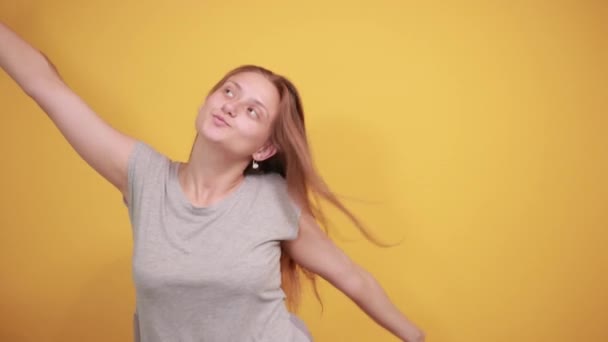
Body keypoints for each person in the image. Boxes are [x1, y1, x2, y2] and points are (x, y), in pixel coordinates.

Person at [1, 21, 426, 342]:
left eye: (252, 110)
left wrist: (417, 337)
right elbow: (48, 87)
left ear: (263, 149)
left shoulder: (274, 204)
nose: (232, 106)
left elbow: (352, 277)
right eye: (229, 91)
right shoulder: (145, 178)